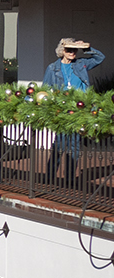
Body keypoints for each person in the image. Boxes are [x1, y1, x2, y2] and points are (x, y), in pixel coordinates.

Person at [43, 37, 104, 186]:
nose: (72, 52)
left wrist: (86, 48)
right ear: (62, 51)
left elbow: (100, 58)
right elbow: (45, 90)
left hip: (79, 110)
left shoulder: (81, 64)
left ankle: (69, 178)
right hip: (62, 110)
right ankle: (49, 177)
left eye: (74, 50)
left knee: (75, 146)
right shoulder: (53, 68)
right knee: (59, 145)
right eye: (68, 50)